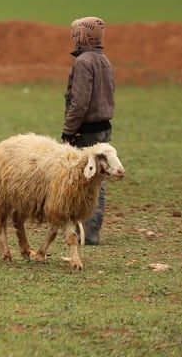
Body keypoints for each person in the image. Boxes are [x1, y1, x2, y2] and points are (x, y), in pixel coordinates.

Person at [61, 16, 115, 245]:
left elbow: (80, 101)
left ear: (81, 36)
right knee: (98, 182)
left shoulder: (83, 62)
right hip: (104, 128)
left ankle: (86, 232)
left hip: (87, 129)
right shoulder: (104, 60)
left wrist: (68, 130)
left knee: (83, 181)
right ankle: (92, 231)